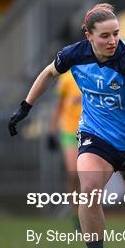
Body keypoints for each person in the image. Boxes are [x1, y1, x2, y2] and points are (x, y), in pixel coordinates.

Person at [8, 3, 125, 248]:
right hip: (96, 136)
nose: (112, 41)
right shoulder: (75, 54)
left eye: (116, 34)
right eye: (105, 36)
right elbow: (48, 73)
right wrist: (26, 106)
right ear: (89, 36)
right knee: (89, 191)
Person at [48, 72, 81, 229]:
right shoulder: (66, 77)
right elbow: (59, 105)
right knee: (73, 174)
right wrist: (52, 129)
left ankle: (89, 213)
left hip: (92, 131)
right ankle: (76, 214)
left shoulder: (97, 72)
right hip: (69, 130)